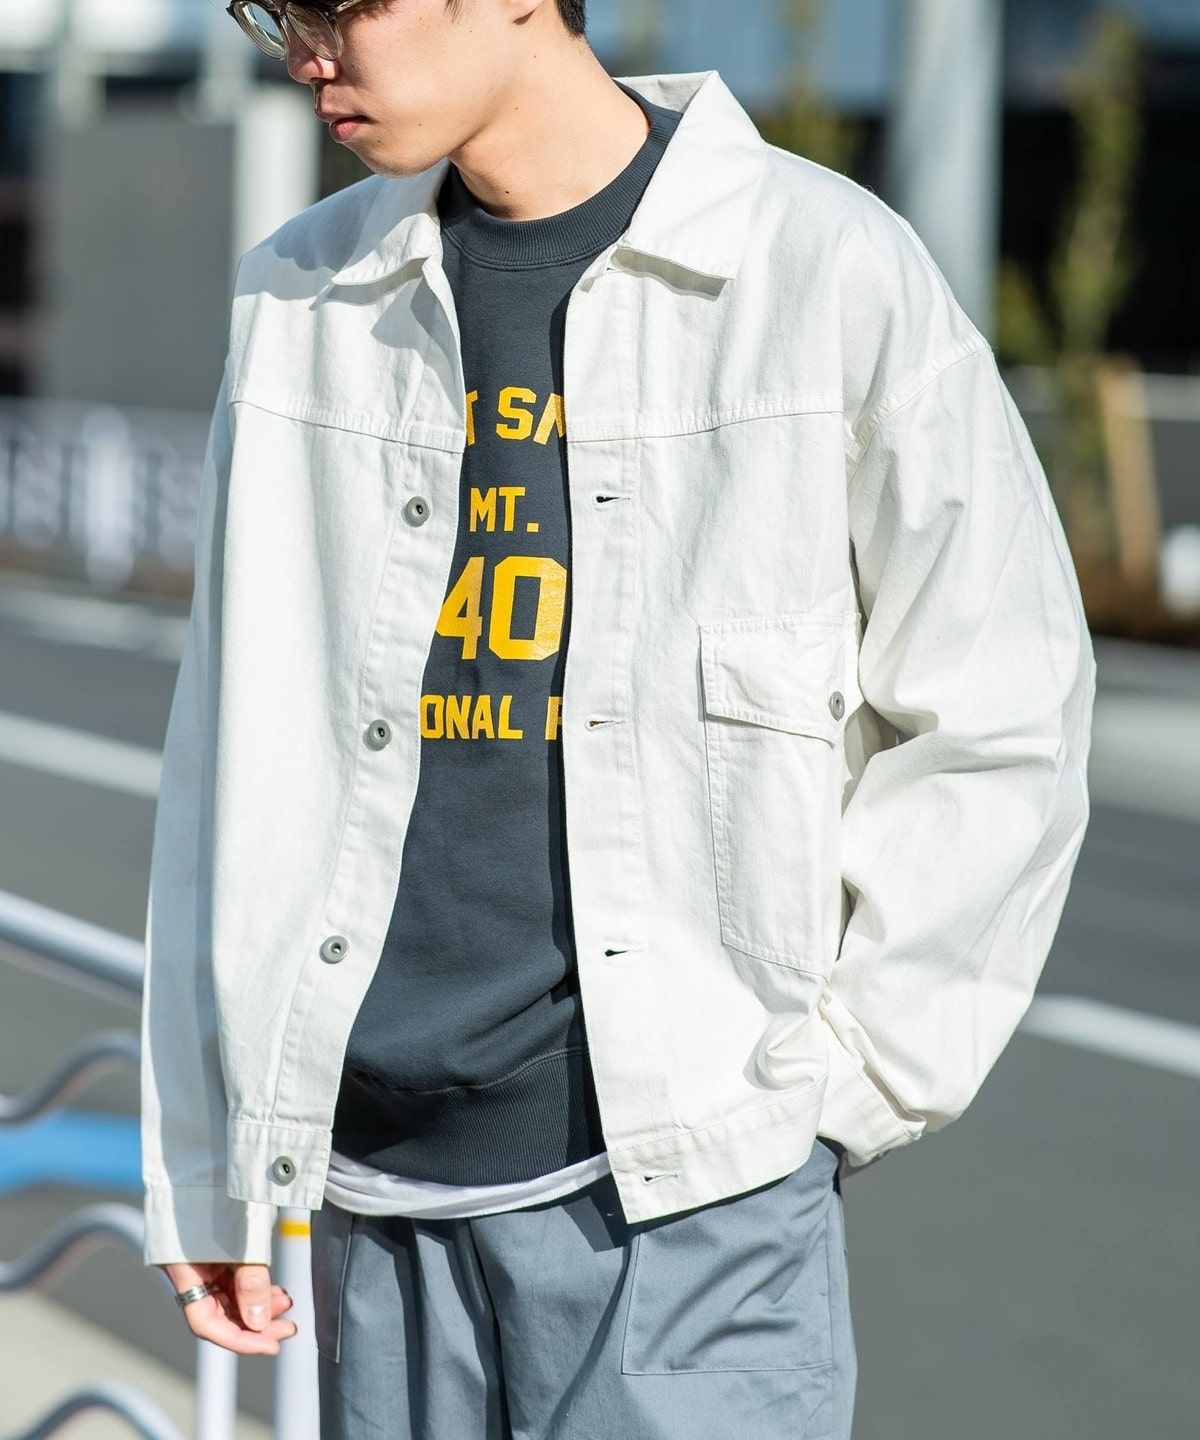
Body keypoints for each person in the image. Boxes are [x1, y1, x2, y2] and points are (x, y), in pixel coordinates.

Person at [139, 0, 1096, 1435]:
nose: (303, 53)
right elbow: (225, 752)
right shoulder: (300, 294)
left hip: (693, 1201)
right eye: (276, 11)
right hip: (370, 1198)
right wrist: (208, 1160)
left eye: (342, 5)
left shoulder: (816, 266)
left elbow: (1004, 703)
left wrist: (835, 1092)